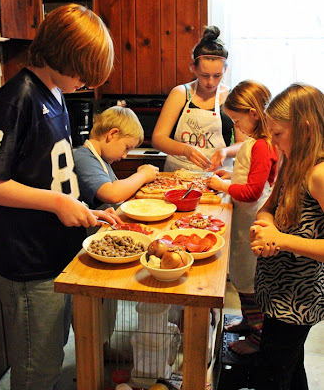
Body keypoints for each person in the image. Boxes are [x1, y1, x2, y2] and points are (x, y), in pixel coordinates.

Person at [0, 4, 123, 390]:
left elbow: (56, 173)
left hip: (56, 251)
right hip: (27, 260)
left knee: (53, 348)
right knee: (36, 366)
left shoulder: (58, 93)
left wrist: (90, 209)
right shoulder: (16, 99)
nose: (84, 82)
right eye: (81, 72)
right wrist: (58, 204)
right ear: (60, 55)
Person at [250, 83, 324, 388]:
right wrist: (265, 229)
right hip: (276, 291)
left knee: (273, 374)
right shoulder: (292, 161)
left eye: (278, 134)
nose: (275, 143)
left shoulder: (319, 173)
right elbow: (267, 208)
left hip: (298, 300)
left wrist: (281, 240)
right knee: (290, 370)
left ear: (305, 128)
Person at [207, 80, 278, 355]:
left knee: (249, 279)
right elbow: (247, 177)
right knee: (241, 272)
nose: (236, 126)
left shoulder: (262, 145)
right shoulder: (253, 142)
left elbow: (252, 191)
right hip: (243, 219)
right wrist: (230, 176)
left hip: (253, 219)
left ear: (253, 113)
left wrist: (223, 186)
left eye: (237, 120)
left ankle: (258, 339)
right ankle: (249, 324)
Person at [151, 25, 246, 172]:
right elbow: (158, 138)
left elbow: (242, 142)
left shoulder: (231, 97)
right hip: (178, 174)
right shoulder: (181, 93)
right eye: (204, 75)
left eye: (217, 76)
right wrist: (185, 150)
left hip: (217, 177)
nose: (211, 82)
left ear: (225, 70)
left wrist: (225, 151)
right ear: (194, 68)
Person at [74, 106, 159, 210]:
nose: (124, 156)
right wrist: (142, 176)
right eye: (126, 148)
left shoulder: (101, 158)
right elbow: (111, 193)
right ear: (113, 134)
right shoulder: (84, 158)